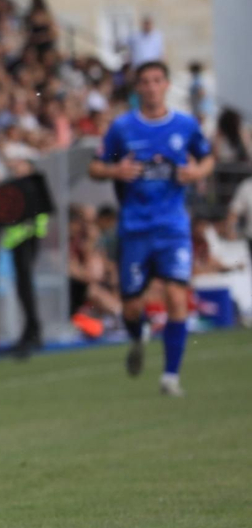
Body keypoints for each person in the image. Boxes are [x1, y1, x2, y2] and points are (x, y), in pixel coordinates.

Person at [89, 61, 215, 396]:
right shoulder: (123, 128)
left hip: (173, 225)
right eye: (144, 81)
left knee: (177, 295)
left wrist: (197, 173)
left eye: (157, 80)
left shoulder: (185, 125)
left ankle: (170, 376)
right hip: (135, 227)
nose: (151, 86)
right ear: (137, 89)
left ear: (166, 84)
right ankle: (137, 335)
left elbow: (208, 157)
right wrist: (115, 171)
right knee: (131, 305)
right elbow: (95, 166)